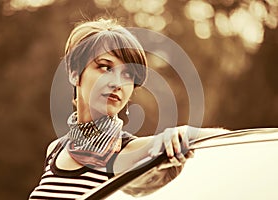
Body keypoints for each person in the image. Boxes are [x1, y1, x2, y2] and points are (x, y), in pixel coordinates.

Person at [29, 18, 228, 199]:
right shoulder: (55, 150)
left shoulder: (136, 151)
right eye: (106, 67)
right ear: (74, 73)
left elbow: (229, 140)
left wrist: (186, 133)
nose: (117, 83)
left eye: (128, 75)